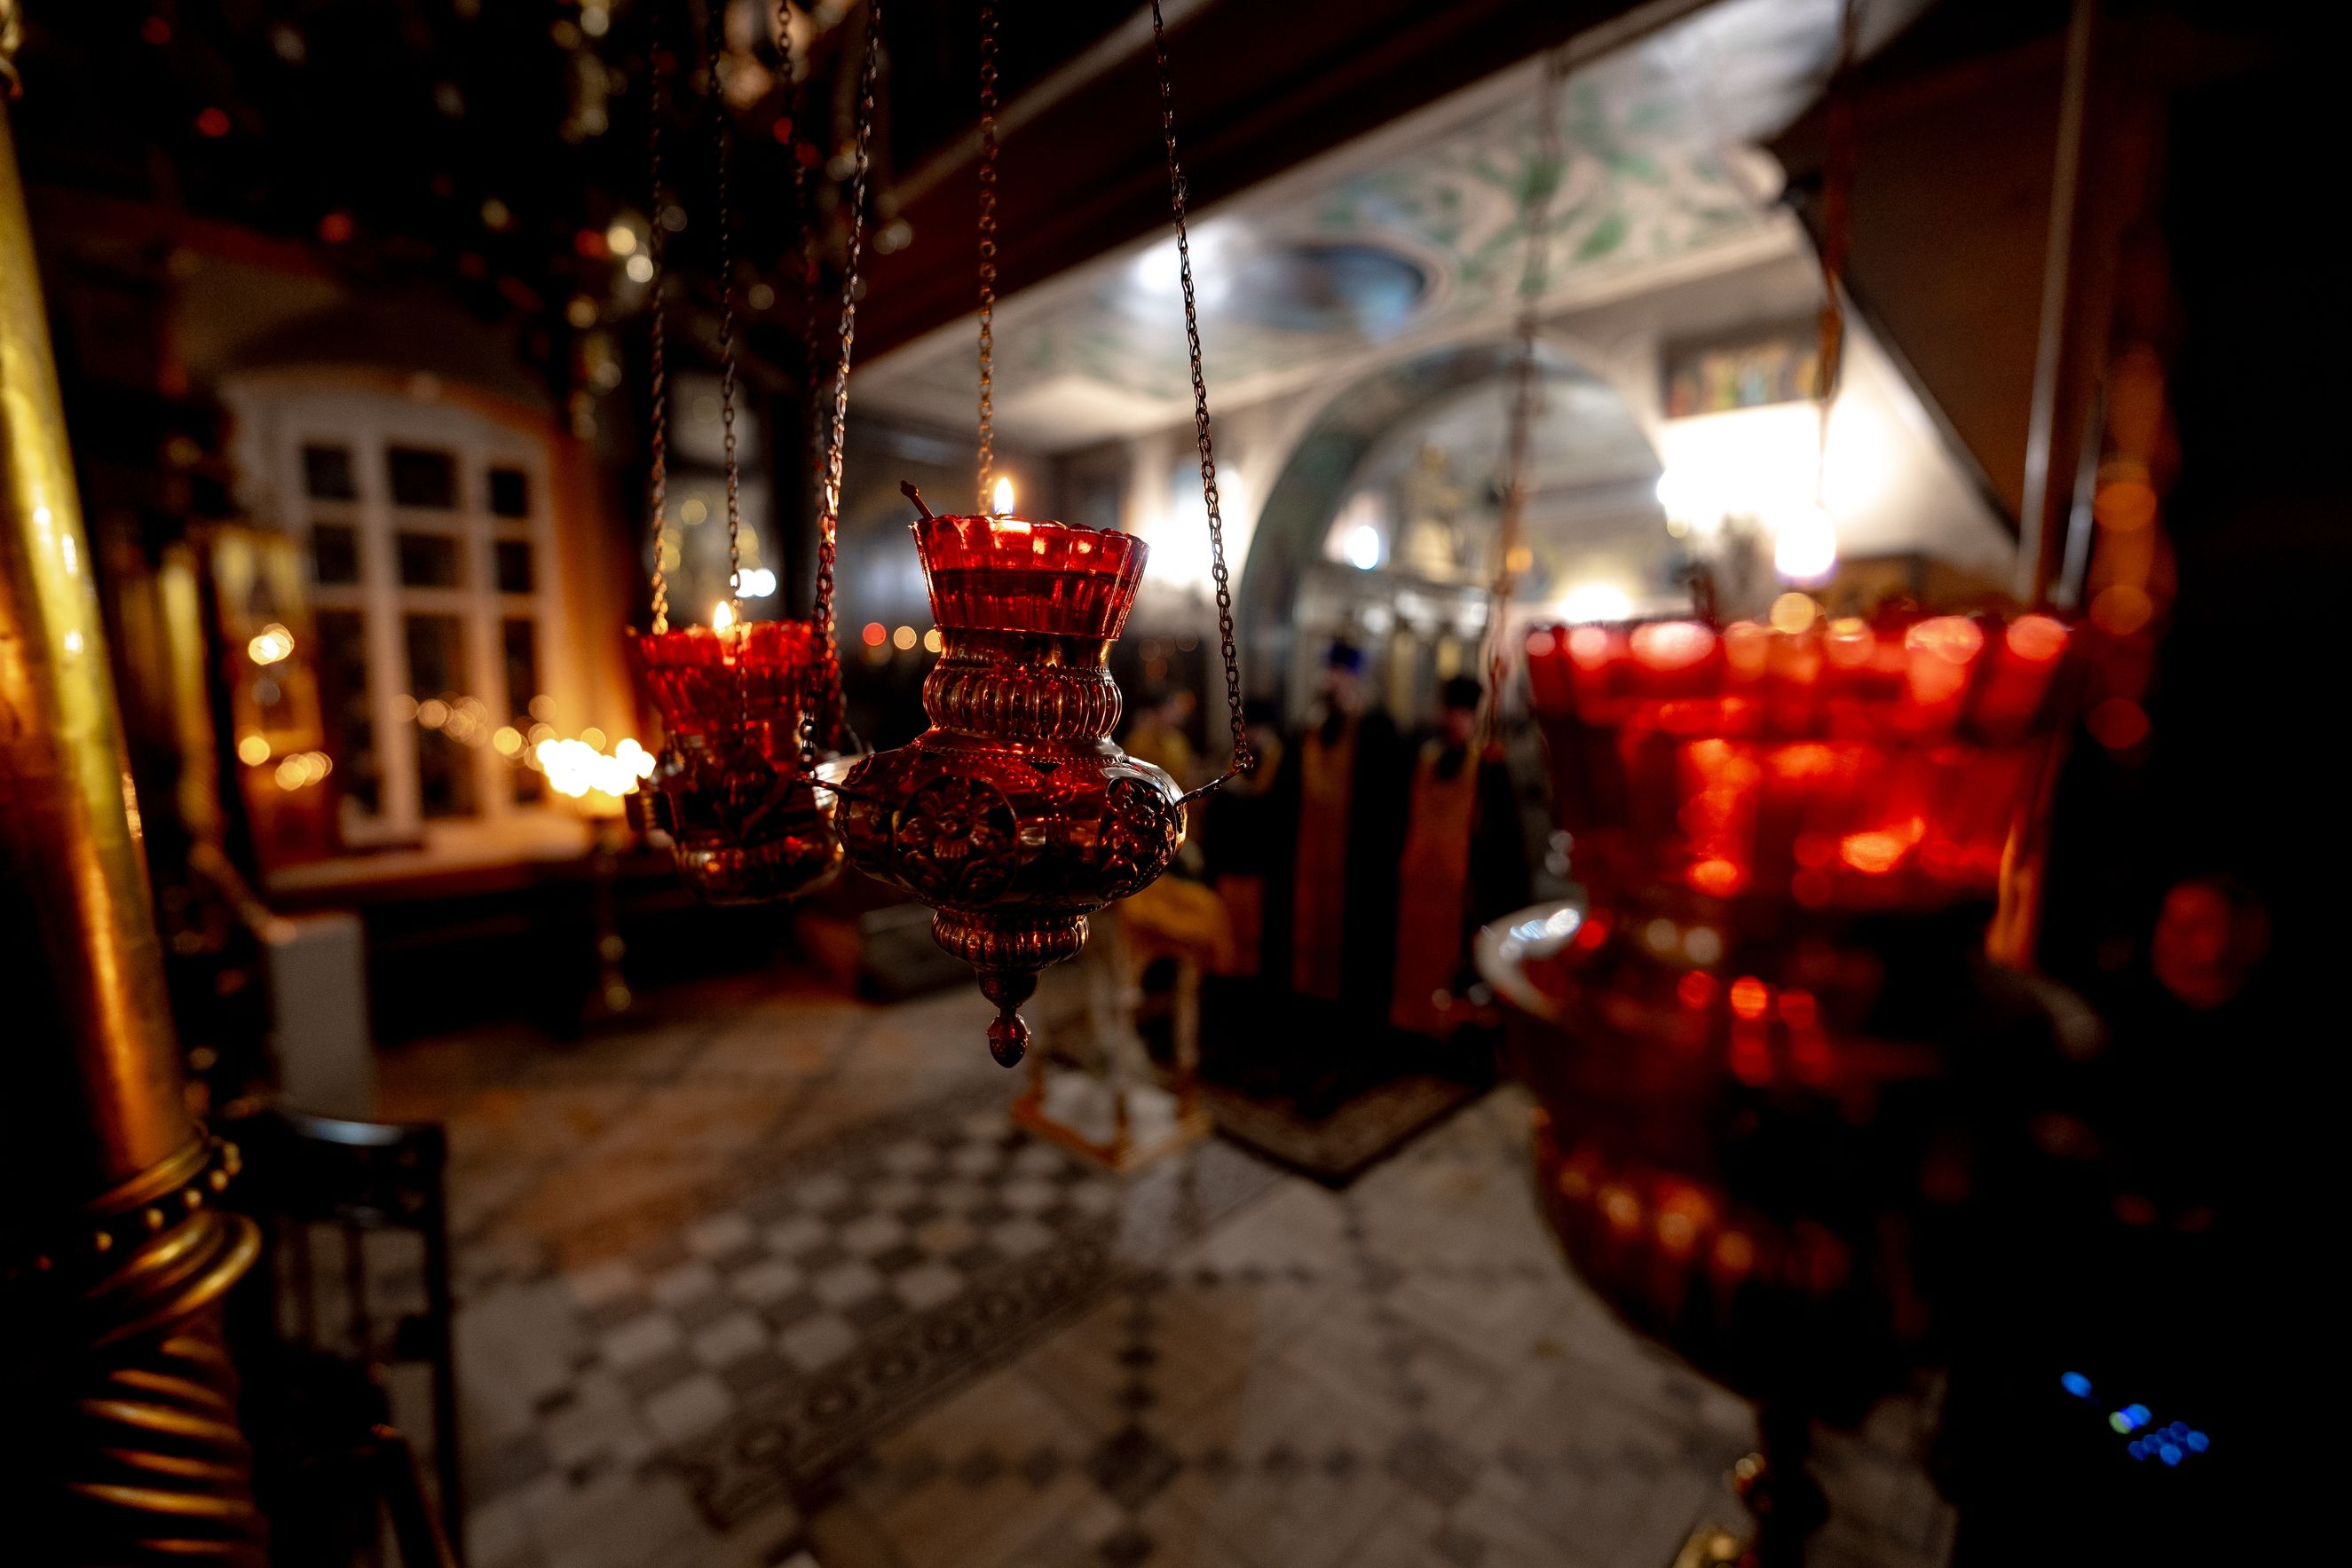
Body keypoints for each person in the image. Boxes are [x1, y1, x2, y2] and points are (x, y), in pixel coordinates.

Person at [1389, 674, 1526, 1036]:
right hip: (1419, 884)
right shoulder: (1425, 758)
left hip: (1460, 888)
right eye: (1450, 711)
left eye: (1463, 713)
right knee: (1414, 961)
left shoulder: (1488, 766)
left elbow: (1501, 839)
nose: (1454, 720)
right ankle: (1410, 1024)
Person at [1283, 639, 1405, 1009]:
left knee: (1354, 950)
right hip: (1310, 857)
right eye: (1329, 673)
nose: (1332, 681)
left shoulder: (1378, 731)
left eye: (1340, 674)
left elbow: (1388, 805)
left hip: (1356, 864)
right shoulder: (1311, 730)